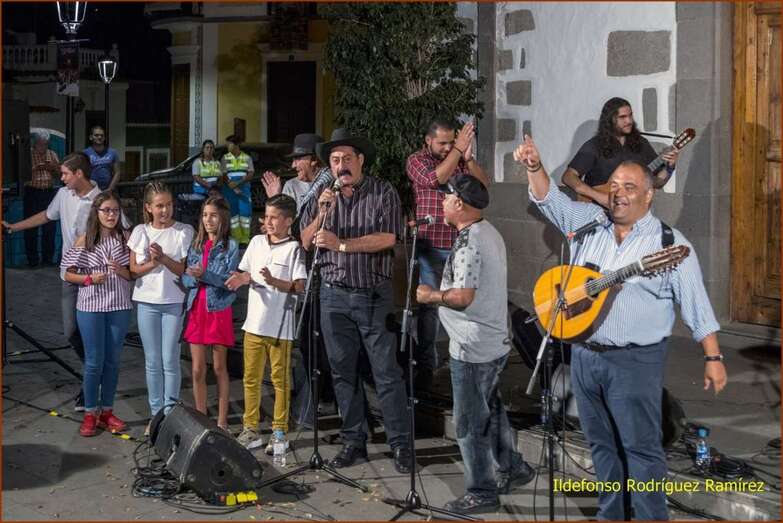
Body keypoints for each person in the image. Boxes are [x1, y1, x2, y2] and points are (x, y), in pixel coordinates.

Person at [515, 134, 728, 520]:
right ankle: (611, 515)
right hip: (584, 356)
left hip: (635, 361)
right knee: (601, 446)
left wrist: (713, 356)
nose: (618, 194)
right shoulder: (590, 224)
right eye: (613, 187)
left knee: (641, 450)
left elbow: (697, 304)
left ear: (649, 196)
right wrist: (534, 166)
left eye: (629, 187)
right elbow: (550, 201)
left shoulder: (669, 242)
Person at [415, 174, 534, 514]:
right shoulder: (487, 231)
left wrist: (430, 295)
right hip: (490, 341)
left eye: (446, 198)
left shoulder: (469, 242)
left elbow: (464, 296)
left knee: (469, 424)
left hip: (472, 347)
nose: (442, 203)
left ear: (460, 205)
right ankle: (514, 467)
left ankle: (481, 492)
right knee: (491, 412)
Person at [299, 128, 411, 474]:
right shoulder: (322, 193)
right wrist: (320, 213)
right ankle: (353, 442)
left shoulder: (382, 192)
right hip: (332, 295)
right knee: (341, 372)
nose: (341, 164)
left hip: (371, 295)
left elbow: (388, 238)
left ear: (360, 160)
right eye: (335, 159)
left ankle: (400, 446)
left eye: (348, 158)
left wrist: (342, 244)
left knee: (386, 372)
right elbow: (305, 241)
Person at [3, 152, 101, 411]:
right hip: (70, 275)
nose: (62, 178)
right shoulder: (63, 195)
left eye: (65, 174)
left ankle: (90, 386)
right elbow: (46, 216)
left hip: (95, 278)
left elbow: (121, 232)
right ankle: (94, 374)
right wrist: (14, 226)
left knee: (90, 334)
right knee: (70, 331)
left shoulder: (100, 200)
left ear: (79, 174)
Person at [406, 119, 489, 392]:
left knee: (463, 306)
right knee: (429, 311)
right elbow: (436, 178)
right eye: (442, 142)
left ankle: (463, 362)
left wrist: (469, 158)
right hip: (431, 246)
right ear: (428, 140)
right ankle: (426, 368)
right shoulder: (417, 160)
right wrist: (457, 152)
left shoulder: (459, 158)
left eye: (451, 141)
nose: (447, 147)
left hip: (460, 245)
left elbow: (483, 189)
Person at [226, 194, 306, 452]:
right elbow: (247, 272)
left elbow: (299, 286)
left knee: (280, 381)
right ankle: (251, 429)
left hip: (281, 328)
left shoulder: (294, 249)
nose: (267, 222)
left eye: (273, 217)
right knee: (251, 378)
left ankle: (279, 432)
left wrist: (274, 282)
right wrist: (241, 279)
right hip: (254, 325)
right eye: (266, 217)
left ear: (288, 221)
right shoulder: (257, 242)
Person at [60, 191, 132, 437]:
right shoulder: (85, 240)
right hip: (90, 307)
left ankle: (107, 411)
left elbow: (133, 273)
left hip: (119, 306)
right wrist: (89, 278)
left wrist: (122, 270)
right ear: (97, 213)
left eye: (115, 210)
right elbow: (66, 273)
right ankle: (90, 412)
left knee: (112, 361)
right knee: (94, 361)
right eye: (106, 211)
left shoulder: (126, 238)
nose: (111, 215)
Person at [128, 182, 195, 433]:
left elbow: (183, 269)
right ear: (148, 208)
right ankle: (156, 414)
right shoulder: (139, 231)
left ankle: (171, 411)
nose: (165, 210)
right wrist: (152, 263)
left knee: (171, 359)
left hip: (174, 301)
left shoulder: (183, 231)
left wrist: (163, 259)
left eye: (168, 205)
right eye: (159, 206)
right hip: (146, 301)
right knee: (152, 360)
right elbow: (134, 270)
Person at [181, 196, 239, 432]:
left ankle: (222, 420)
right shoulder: (196, 244)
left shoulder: (231, 246)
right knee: (196, 369)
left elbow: (229, 281)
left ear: (223, 218)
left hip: (218, 310)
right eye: (205, 215)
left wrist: (204, 274)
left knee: (218, 367)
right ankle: (201, 416)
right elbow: (186, 277)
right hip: (197, 309)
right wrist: (191, 277)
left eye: (213, 215)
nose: (208, 220)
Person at [562, 97, 679, 208]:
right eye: (622, 117)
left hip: (630, 213)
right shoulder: (595, 145)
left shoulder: (641, 144)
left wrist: (669, 167)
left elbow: (657, 183)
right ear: (610, 120)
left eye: (630, 115)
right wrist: (600, 197)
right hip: (597, 212)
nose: (629, 121)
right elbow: (568, 177)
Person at [260, 133, 324, 213]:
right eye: (293, 160)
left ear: (314, 160)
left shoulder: (333, 185)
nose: (293, 165)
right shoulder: (291, 186)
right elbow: (286, 221)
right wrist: (276, 199)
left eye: (298, 159)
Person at [24, 130, 60, 267]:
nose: (43, 148)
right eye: (40, 144)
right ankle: (32, 261)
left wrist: (51, 167)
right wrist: (36, 168)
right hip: (32, 192)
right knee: (31, 227)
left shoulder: (52, 154)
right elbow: (22, 172)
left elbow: (60, 173)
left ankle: (47, 260)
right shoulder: (28, 154)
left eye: (45, 145)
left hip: (49, 193)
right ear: (35, 142)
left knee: (49, 227)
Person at [221, 135, 254, 245]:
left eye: (229, 144)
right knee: (233, 215)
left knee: (245, 214)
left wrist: (238, 183)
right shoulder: (225, 158)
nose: (227, 146)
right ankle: (236, 239)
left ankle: (245, 239)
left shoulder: (247, 158)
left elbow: (250, 174)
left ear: (236, 145)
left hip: (244, 190)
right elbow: (224, 176)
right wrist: (234, 187)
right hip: (230, 191)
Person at [84, 125, 121, 191]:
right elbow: (82, 173)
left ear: (104, 138)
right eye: (96, 135)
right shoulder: (85, 153)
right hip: (91, 189)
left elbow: (117, 172)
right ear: (91, 137)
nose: (99, 137)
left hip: (109, 190)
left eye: (102, 135)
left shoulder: (113, 152)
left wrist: (110, 189)